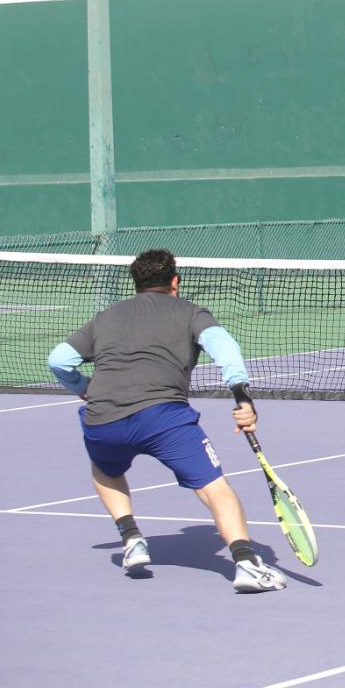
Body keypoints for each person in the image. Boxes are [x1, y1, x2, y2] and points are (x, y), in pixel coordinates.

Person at [46, 249, 287, 592]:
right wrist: (241, 396)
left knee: (105, 470)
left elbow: (58, 360)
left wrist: (83, 388)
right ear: (175, 281)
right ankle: (246, 563)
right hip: (163, 417)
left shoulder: (107, 316)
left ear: (137, 283)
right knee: (215, 487)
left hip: (103, 417)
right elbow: (225, 348)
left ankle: (131, 539)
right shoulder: (191, 312)